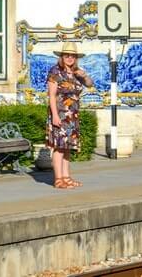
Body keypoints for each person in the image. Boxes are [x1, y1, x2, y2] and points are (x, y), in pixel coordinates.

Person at [46, 41, 95, 190]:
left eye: (72, 56)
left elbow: (90, 84)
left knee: (68, 147)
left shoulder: (75, 72)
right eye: (67, 55)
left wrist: (84, 75)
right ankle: (58, 179)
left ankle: (67, 177)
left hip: (72, 115)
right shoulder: (55, 72)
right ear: (62, 56)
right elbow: (52, 96)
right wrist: (54, 115)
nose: (70, 58)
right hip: (60, 114)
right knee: (59, 146)